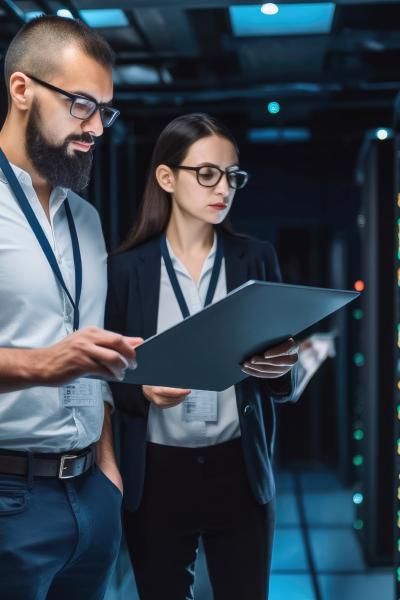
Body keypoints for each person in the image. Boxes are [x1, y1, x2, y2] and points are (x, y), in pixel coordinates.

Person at [106, 113, 299, 600]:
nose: (224, 188)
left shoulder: (255, 258)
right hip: (156, 472)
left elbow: (280, 381)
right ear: (167, 177)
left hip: (239, 468)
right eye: (208, 173)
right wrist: (141, 389)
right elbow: (104, 376)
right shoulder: (126, 270)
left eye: (233, 175)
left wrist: (281, 369)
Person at [0, 16, 142, 600]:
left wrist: (106, 468)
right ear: (22, 90)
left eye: (105, 111)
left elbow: (85, 349)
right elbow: (58, 358)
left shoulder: (86, 218)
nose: (97, 129)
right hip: (9, 498)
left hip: (90, 492)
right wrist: (41, 365)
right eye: (82, 105)